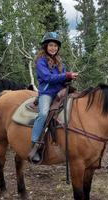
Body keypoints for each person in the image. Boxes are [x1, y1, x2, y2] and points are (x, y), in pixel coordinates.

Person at [29, 32, 78, 162]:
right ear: (45, 46)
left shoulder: (60, 62)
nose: (53, 48)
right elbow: (47, 78)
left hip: (60, 92)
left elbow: (62, 78)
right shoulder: (41, 61)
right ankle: (35, 144)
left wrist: (68, 80)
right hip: (47, 93)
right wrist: (66, 75)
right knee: (44, 114)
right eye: (51, 45)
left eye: (55, 46)